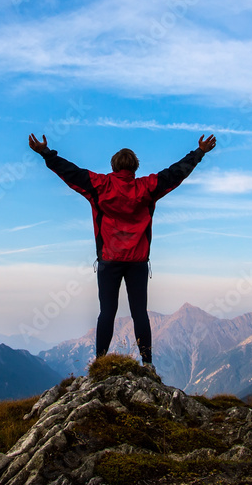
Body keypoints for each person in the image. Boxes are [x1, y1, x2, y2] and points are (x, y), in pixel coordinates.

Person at [28, 133, 216, 368]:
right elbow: (176, 173)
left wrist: (46, 153)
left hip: (109, 261)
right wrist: (199, 153)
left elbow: (70, 172)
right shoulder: (147, 187)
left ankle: (100, 363)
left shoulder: (99, 185)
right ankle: (147, 363)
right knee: (139, 313)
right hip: (138, 262)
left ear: (113, 166)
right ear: (135, 167)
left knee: (106, 312)